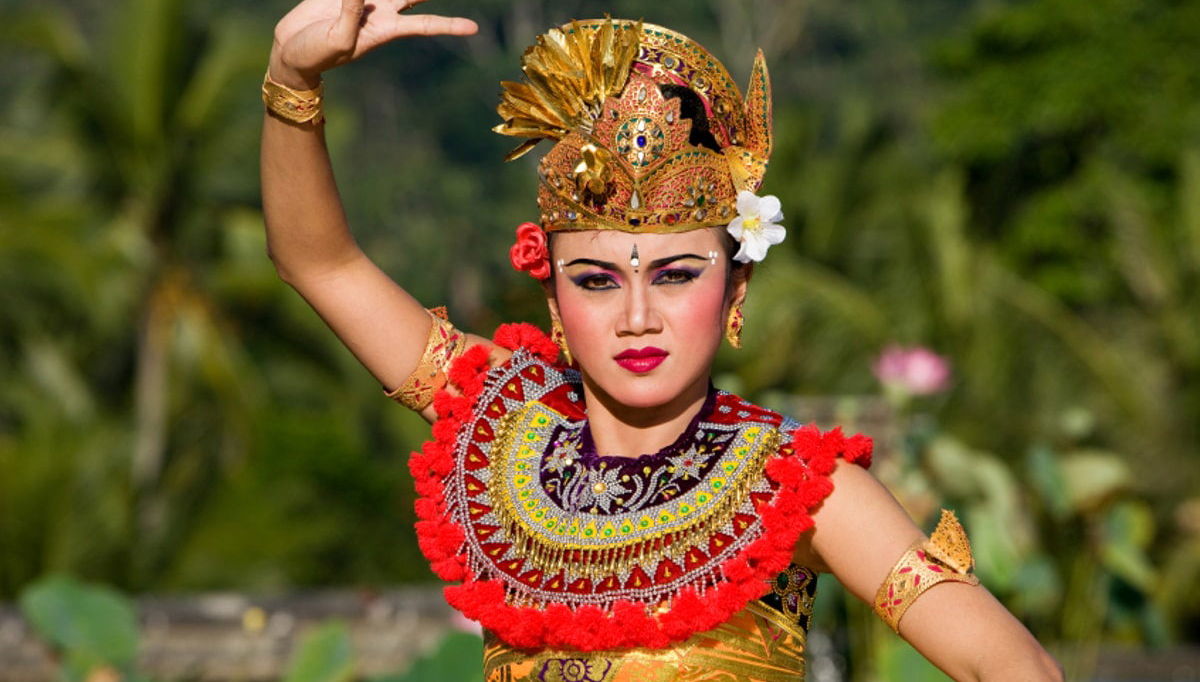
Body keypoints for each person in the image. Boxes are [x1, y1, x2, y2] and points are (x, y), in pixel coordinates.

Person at [261, 0, 1063, 679]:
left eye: (677, 275)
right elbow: (319, 262)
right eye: (597, 280)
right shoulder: (500, 417)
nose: (637, 315)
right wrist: (291, 82)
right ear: (551, 294)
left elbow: (1014, 667)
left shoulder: (796, 486)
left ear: (735, 288)